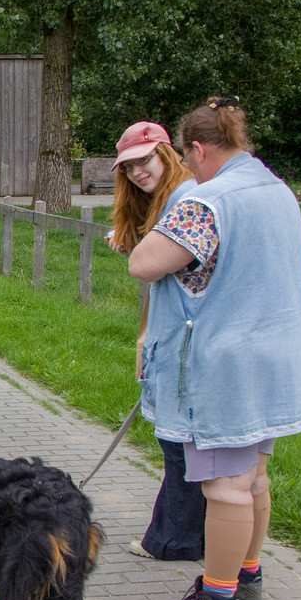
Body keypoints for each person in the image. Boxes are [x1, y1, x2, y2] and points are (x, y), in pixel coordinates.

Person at [129, 96, 301, 600]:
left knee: (227, 487)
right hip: (278, 354)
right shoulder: (277, 190)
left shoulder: (208, 199)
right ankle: (248, 576)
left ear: (196, 148)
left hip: (228, 363)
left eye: (189, 161)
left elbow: (144, 262)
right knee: (255, 476)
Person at [107, 121, 203, 562]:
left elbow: (154, 268)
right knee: (177, 442)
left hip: (188, 336)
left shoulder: (187, 201)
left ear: (166, 153)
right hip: (168, 330)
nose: (138, 172)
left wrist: (141, 253)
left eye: (144, 160)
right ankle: (181, 533)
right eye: (128, 167)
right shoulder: (159, 206)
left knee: (180, 443)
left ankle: (175, 539)